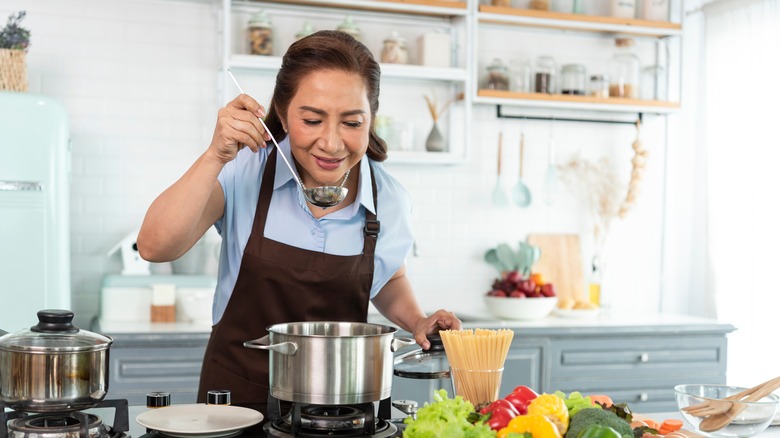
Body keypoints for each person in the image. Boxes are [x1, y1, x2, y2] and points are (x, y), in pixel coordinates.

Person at [136, 30, 462, 416]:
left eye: (352, 123)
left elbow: (388, 277)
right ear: (284, 114)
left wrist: (417, 319)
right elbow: (155, 247)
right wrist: (213, 156)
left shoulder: (388, 198)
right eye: (312, 119)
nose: (331, 143)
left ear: (371, 119)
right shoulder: (244, 170)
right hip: (236, 403)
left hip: (340, 406)